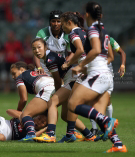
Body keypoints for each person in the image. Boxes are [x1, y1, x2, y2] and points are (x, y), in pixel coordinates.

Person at [62, 2, 127, 153]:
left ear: (87, 15)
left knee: (72, 104)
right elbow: (107, 55)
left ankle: (106, 120)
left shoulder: (92, 29)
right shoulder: (103, 29)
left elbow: (96, 50)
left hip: (97, 75)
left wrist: (80, 65)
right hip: (106, 75)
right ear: (101, 15)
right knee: (97, 112)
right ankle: (118, 144)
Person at [31, 13, 95, 143]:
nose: (37, 51)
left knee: (53, 102)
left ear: (46, 47)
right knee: (66, 115)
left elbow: (56, 80)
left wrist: (57, 92)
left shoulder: (50, 59)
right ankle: (89, 135)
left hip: (71, 79)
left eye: (39, 48)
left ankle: (51, 134)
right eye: (34, 49)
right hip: (72, 78)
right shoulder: (48, 57)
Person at [90, 37, 126, 135]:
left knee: (107, 100)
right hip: (93, 72)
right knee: (91, 99)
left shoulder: (109, 40)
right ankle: (94, 129)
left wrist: (122, 65)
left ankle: (109, 126)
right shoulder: (89, 38)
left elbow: (122, 52)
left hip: (106, 73)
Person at [10, 61, 55, 141]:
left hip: (46, 89)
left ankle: (31, 134)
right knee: (55, 113)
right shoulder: (35, 71)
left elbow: (23, 99)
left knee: (26, 114)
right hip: (56, 88)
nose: (13, 77)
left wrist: (19, 112)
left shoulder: (20, 77)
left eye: (14, 73)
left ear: (22, 69)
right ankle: (71, 132)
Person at [35, 10, 71, 75]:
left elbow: (70, 53)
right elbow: (36, 53)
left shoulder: (67, 34)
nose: (56, 24)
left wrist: (66, 63)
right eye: (53, 21)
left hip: (61, 68)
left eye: (58, 21)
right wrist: (39, 68)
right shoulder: (42, 33)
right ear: (49, 22)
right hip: (44, 68)